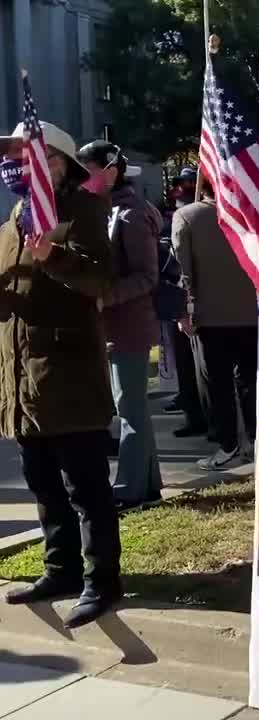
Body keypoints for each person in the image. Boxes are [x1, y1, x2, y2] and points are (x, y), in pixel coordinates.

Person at [0, 121, 120, 628]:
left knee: (86, 489)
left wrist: (55, 257)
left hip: (67, 375)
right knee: (43, 485)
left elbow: (100, 277)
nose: (20, 164)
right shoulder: (14, 217)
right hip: (20, 381)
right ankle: (61, 570)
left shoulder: (84, 211)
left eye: (33, 155)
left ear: (62, 164)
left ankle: (103, 582)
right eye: (15, 156)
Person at [77, 141, 164, 512]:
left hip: (128, 327)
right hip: (113, 327)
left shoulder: (130, 216)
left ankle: (129, 488)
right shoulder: (107, 211)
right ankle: (150, 485)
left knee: (129, 409)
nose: (84, 179)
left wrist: (105, 298)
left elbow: (148, 276)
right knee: (133, 408)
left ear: (111, 170)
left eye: (89, 170)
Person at [171, 177, 258, 471]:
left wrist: (183, 312)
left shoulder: (187, 216)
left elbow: (181, 271)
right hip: (252, 315)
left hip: (209, 317)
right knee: (250, 382)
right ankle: (257, 442)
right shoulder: (254, 215)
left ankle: (228, 445)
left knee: (216, 386)